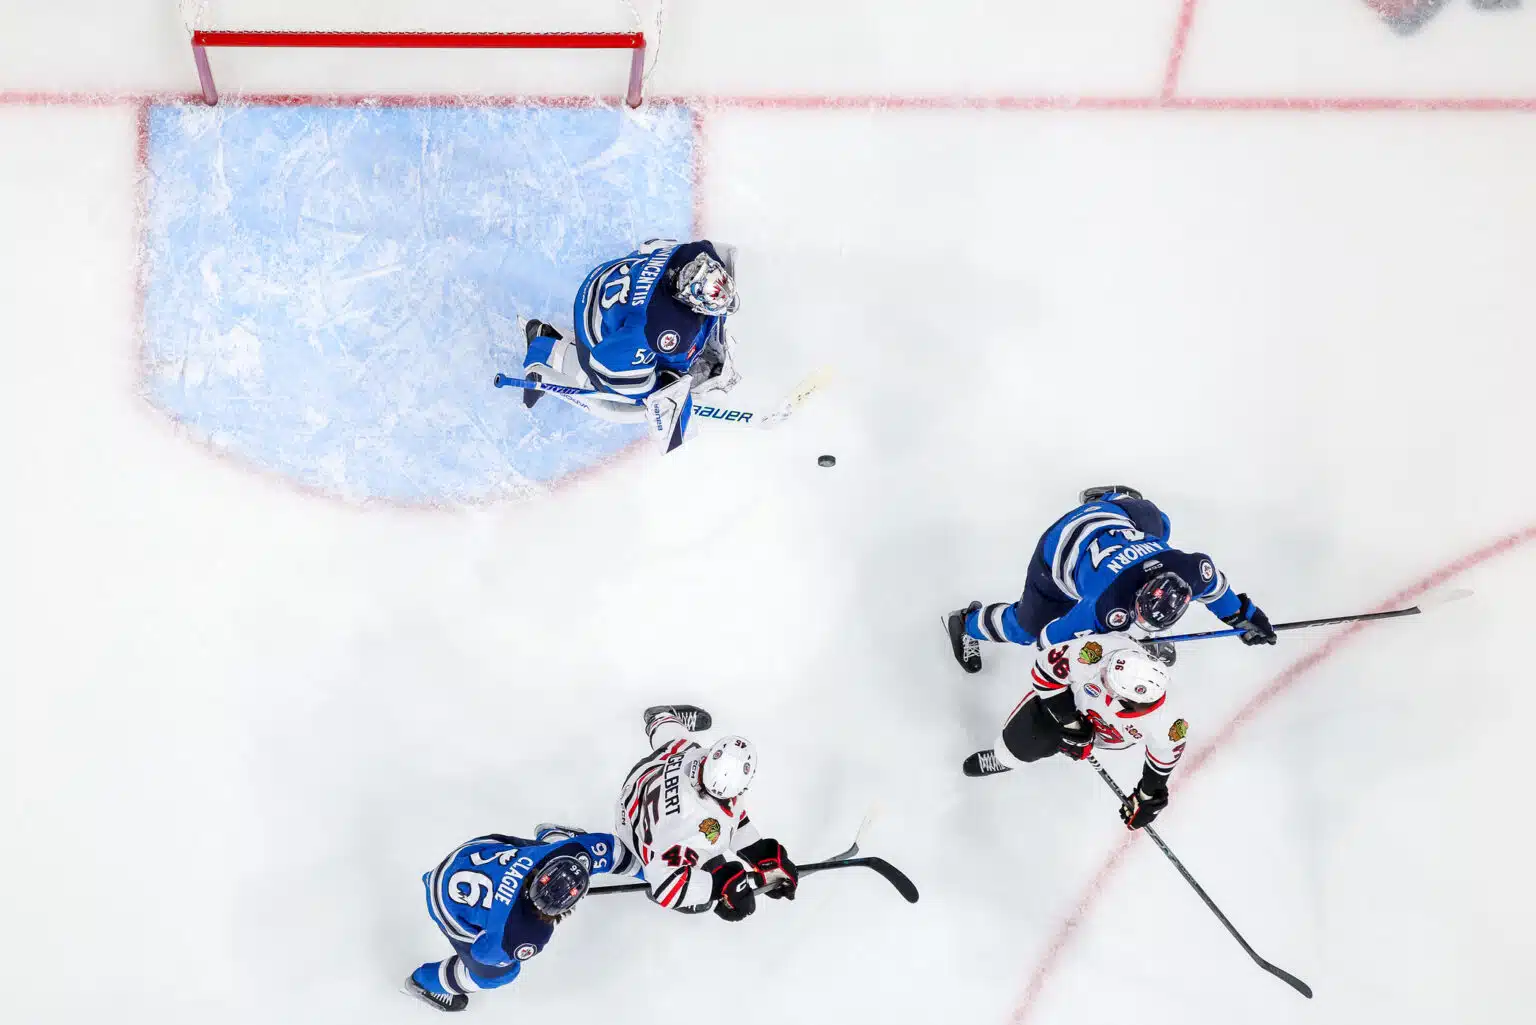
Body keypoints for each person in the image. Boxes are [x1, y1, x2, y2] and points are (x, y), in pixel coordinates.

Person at [944, 486, 1275, 674]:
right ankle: (967, 622)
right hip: (1058, 550)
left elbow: (1217, 591)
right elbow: (1049, 643)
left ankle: (1110, 500)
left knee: (1157, 521)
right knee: (1025, 628)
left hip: (1112, 519)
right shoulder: (1105, 607)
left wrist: (1242, 616)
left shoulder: (1193, 569)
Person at [519, 239, 741, 448]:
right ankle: (544, 349)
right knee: (624, 395)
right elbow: (606, 364)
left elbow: (651, 247)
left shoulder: (695, 254)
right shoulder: (661, 330)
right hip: (593, 319)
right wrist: (659, 389)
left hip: (607, 277)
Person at [962, 634, 1189, 830]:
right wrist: (1071, 724)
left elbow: (1162, 759)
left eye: (1109, 682)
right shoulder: (1104, 652)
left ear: (1127, 699)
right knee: (1018, 746)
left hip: (1108, 733)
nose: (1101, 672)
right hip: (1064, 705)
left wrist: (1147, 797)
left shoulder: (1170, 722)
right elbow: (1044, 670)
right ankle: (1004, 758)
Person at [405, 828, 630, 1012]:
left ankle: (552, 838)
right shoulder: (522, 935)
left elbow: (610, 850)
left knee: (541, 850)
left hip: (465, 857)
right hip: (445, 906)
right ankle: (423, 982)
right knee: (498, 974)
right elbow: (483, 953)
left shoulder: (563, 854)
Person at [614, 704, 797, 919]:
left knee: (679, 745)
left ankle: (661, 717)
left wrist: (759, 853)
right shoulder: (690, 829)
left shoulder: (698, 757)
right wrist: (718, 887)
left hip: (644, 778)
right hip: (633, 831)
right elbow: (665, 886)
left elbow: (731, 821)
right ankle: (661, 719)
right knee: (702, 896)